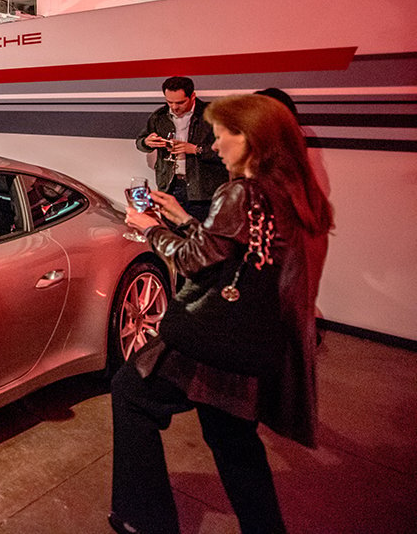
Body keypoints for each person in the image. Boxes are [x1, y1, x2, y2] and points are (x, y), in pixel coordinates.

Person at [114, 94, 333, 534]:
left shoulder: (241, 191)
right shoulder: (296, 191)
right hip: (253, 346)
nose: (214, 146)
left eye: (221, 135)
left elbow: (196, 262)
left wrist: (151, 228)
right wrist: (181, 217)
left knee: (129, 391)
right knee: (234, 445)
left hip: (212, 343)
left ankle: (146, 520)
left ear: (251, 139)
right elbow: (232, 253)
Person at [135, 76, 227, 222]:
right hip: (170, 186)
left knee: (200, 237)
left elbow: (228, 151)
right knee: (171, 235)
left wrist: (196, 150)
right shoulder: (159, 116)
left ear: (192, 96)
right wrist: (147, 142)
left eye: (180, 102)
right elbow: (140, 143)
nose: (174, 107)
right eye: (169, 102)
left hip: (204, 190)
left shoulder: (212, 115)